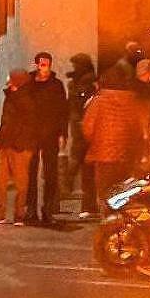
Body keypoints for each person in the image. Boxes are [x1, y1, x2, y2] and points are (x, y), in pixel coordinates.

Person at [83, 64, 147, 214]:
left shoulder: (99, 100)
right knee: (123, 191)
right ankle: (122, 221)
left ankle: (109, 224)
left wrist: (96, 142)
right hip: (126, 155)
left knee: (105, 191)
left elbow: (87, 127)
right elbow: (138, 129)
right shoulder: (132, 100)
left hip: (103, 155)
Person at [0, 69, 37, 225]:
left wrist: (18, 142)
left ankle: (19, 214)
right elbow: (6, 122)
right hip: (6, 144)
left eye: (10, 78)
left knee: (20, 182)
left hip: (19, 146)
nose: (8, 81)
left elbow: (26, 125)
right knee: (1, 180)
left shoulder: (26, 99)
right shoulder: (11, 97)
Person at [25, 52, 68, 224]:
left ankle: (48, 210)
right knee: (30, 173)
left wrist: (63, 133)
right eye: (41, 64)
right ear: (36, 65)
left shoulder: (56, 85)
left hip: (50, 133)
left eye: (47, 64)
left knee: (50, 173)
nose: (44, 67)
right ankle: (30, 210)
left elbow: (63, 110)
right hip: (31, 133)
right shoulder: (28, 83)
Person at [64, 54, 99, 218]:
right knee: (84, 169)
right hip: (78, 131)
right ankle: (88, 205)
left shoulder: (89, 84)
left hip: (86, 132)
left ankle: (88, 204)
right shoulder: (78, 82)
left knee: (84, 169)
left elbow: (83, 105)